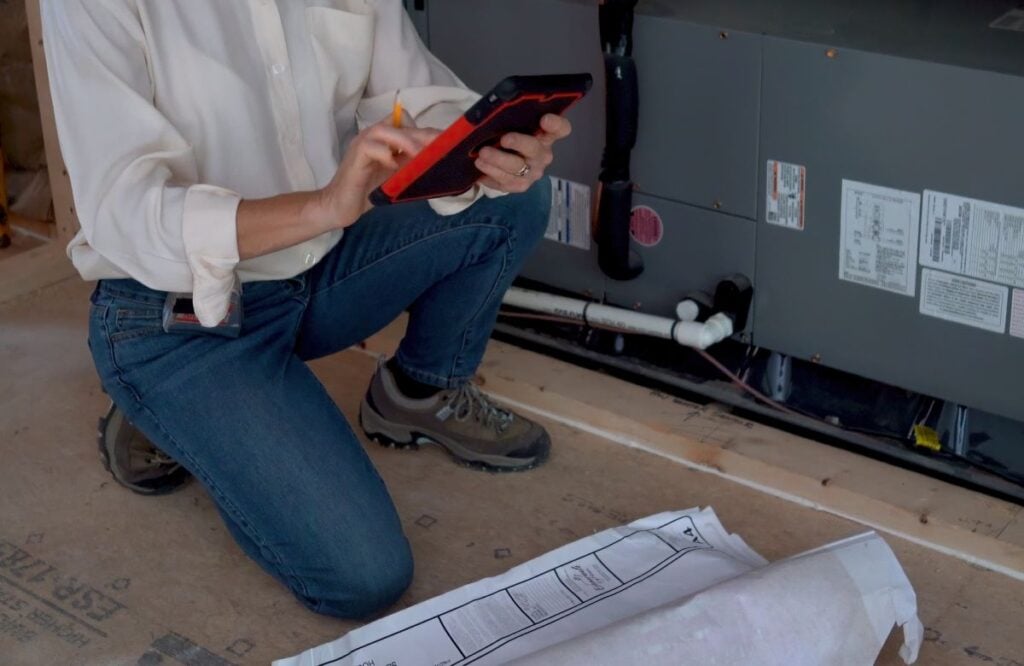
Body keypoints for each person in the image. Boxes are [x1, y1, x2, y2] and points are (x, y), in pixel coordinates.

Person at [41, 0, 571, 618]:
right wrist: (324, 205)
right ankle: (166, 410)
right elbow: (125, 212)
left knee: (510, 202)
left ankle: (419, 392)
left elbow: (413, 92)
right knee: (363, 577)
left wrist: (487, 147)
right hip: (178, 313)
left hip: (314, 262)